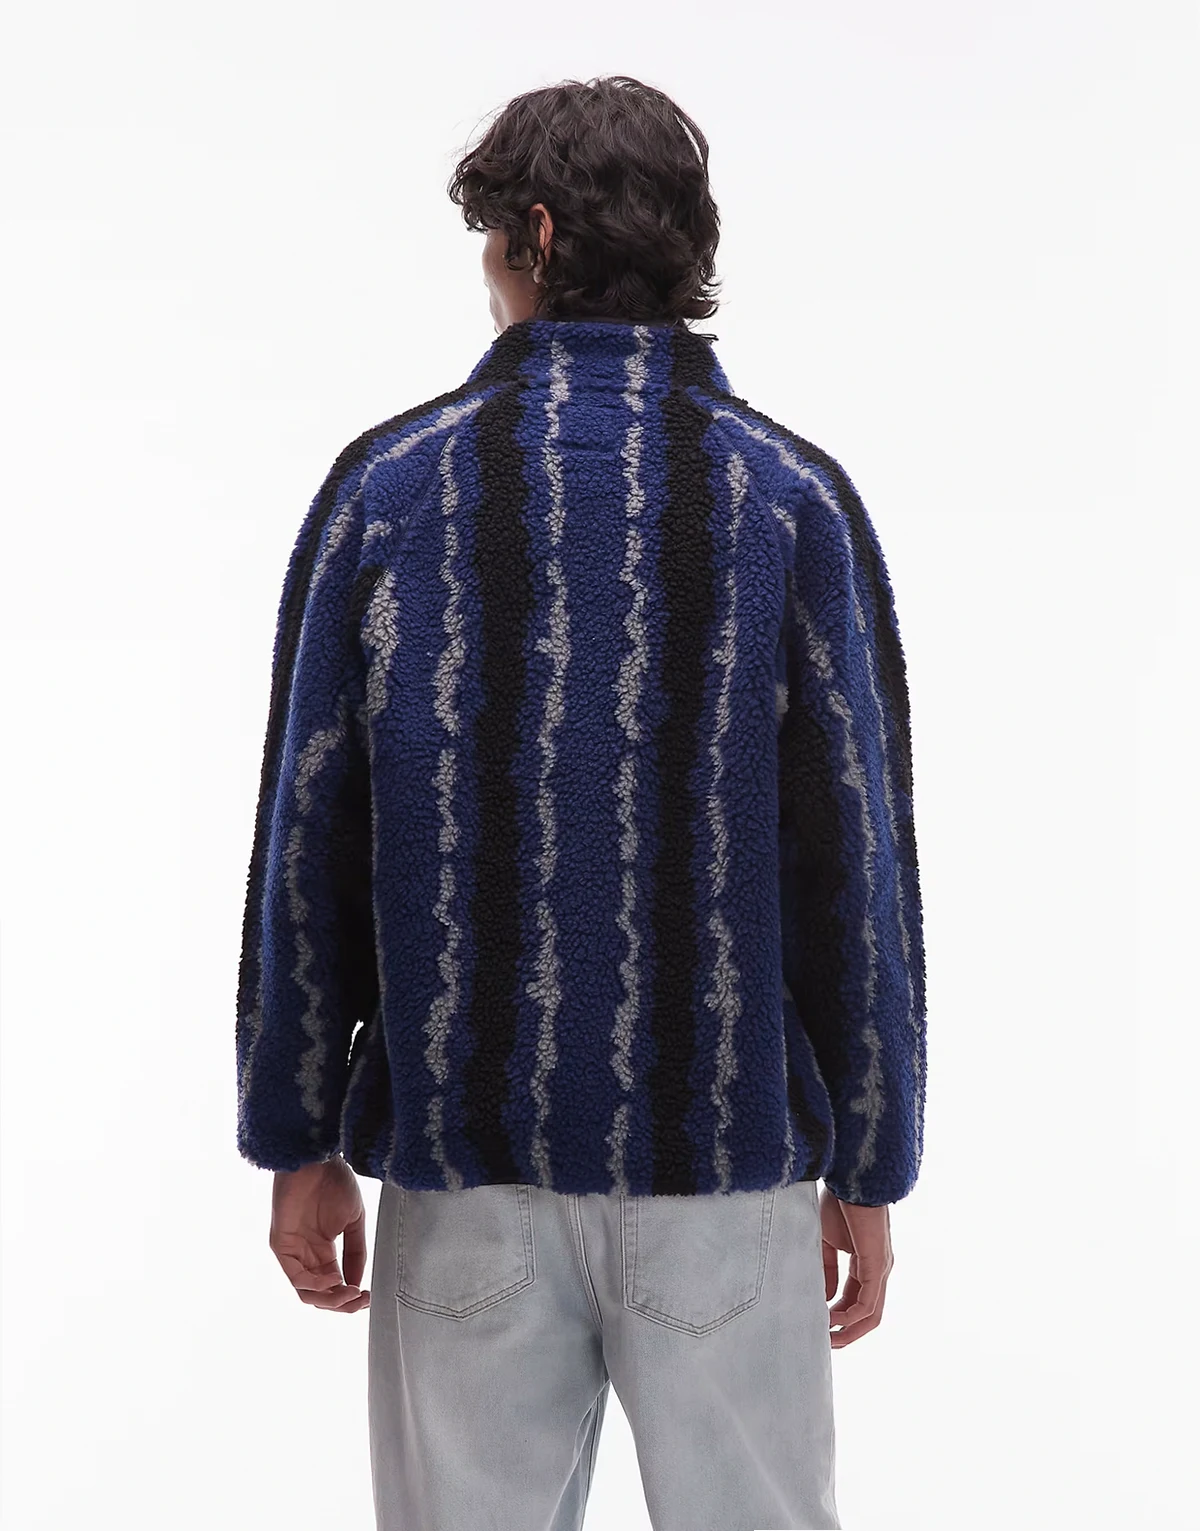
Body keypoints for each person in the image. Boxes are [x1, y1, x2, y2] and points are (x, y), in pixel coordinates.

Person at [235, 73, 926, 1531]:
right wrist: (872, 1160)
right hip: (724, 1173)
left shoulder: (388, 492)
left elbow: (310, 842)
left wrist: (299, 1139)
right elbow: (852, 859)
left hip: (465, 1168)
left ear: (535, 236)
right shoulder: (790, 500)